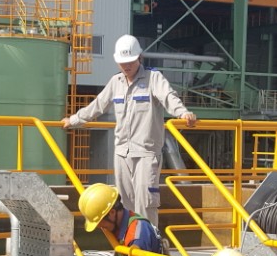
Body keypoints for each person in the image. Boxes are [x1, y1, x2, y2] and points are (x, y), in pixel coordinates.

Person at [61, 34, 197, 232]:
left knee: (146, 201)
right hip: (122, 153)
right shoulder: (116, 82)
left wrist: (183, 113)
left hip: (146, 153)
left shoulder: (153, 78)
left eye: (130, 62)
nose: (126, 66)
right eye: (122, 62)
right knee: (125, 203)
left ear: (139, 58)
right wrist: (73, 120)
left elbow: (169, 97)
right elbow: (97, 105)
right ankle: (131, 241)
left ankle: (148, 243)